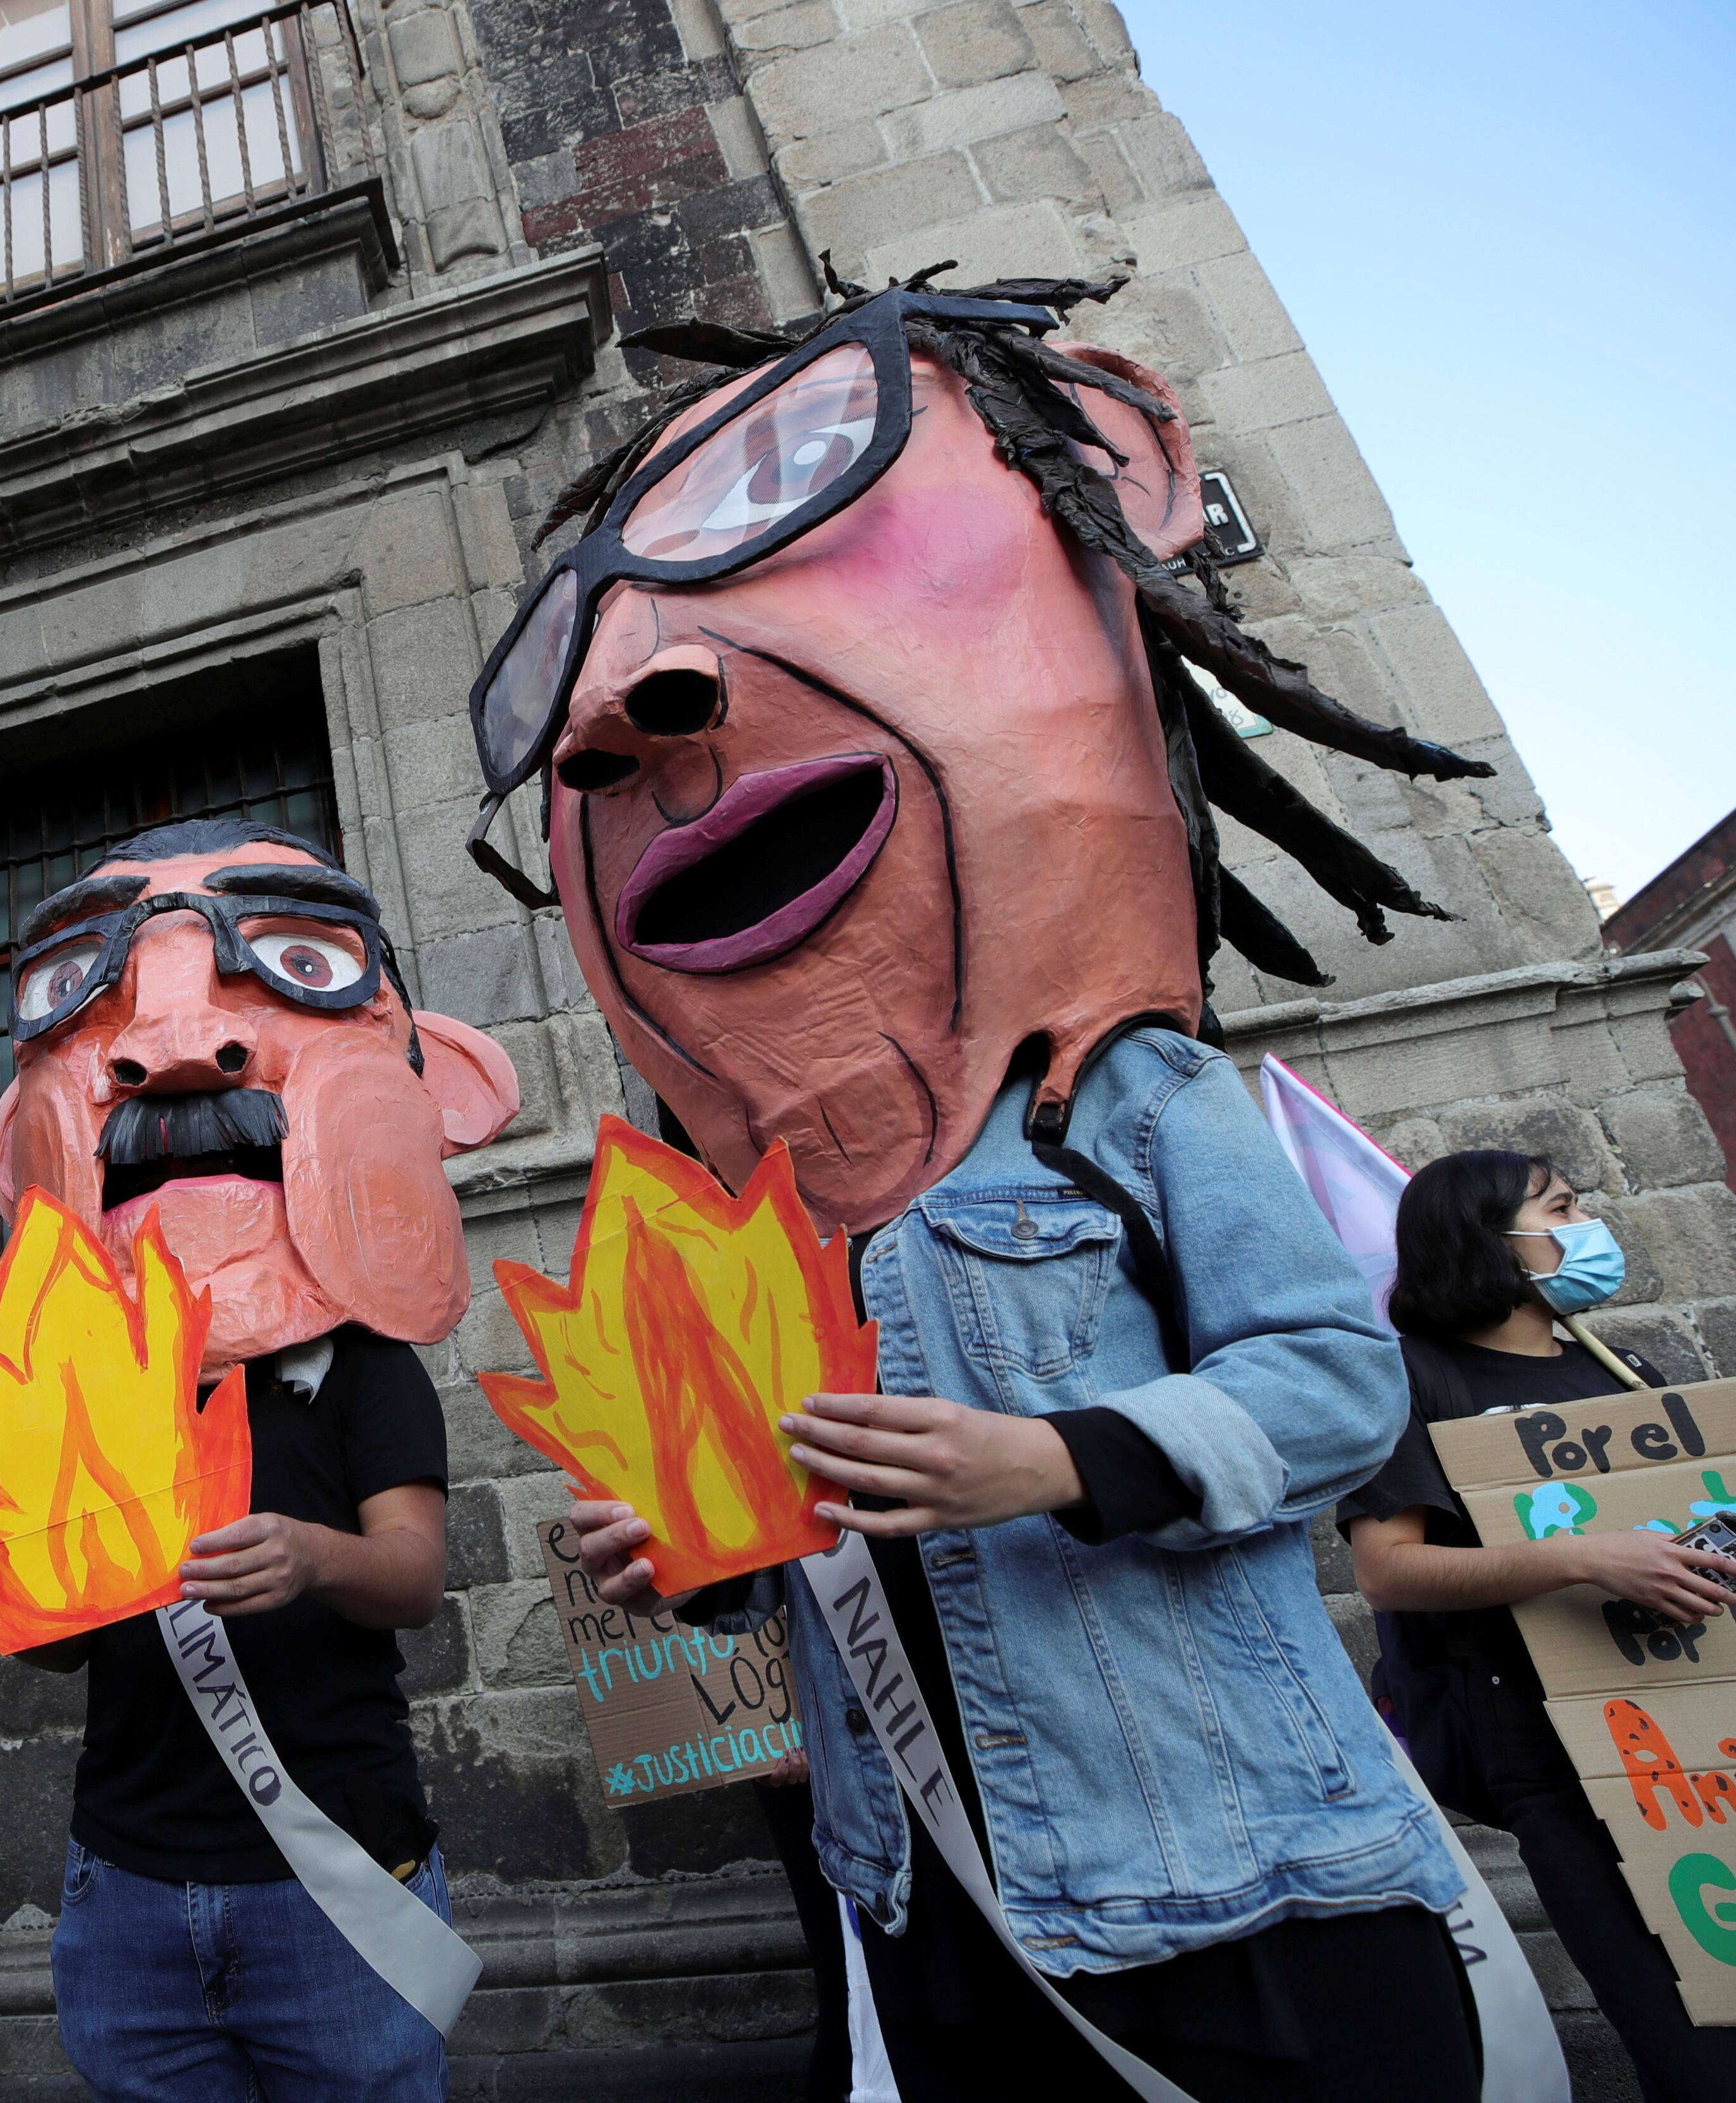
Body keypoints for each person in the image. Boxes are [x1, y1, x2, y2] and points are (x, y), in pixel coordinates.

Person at [500, 274, 1508, 2099]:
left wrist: (1057, 1458)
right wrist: (705, 1566)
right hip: (928, 1915)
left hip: (1243, 1898)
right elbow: (807, 1565)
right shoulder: (749, 1223)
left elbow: (1341, 1390)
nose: (616, 715)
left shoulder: (1123, 1101)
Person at [0, 815, 524, 2101]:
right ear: (11, 1146)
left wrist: (312, 1556)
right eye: (76, 999)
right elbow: (63, 1642)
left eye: (300, 963)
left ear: (442, 1085)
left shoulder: (361, 1370)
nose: (180, 1040)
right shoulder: (74, 1387)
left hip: (335, 1877)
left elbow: (414, 1574)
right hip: (125, 1883)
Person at [1344, 1150, 1736, 2101]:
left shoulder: (1620, 1365)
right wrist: (1586, 1557)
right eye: (1560, 1207)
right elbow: (1388, 1570)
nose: (1583, 1223)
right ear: (1487, 1239)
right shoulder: (1411, 1381)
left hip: (1712, 1746)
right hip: (1568, 1762)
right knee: (1709, 2054)